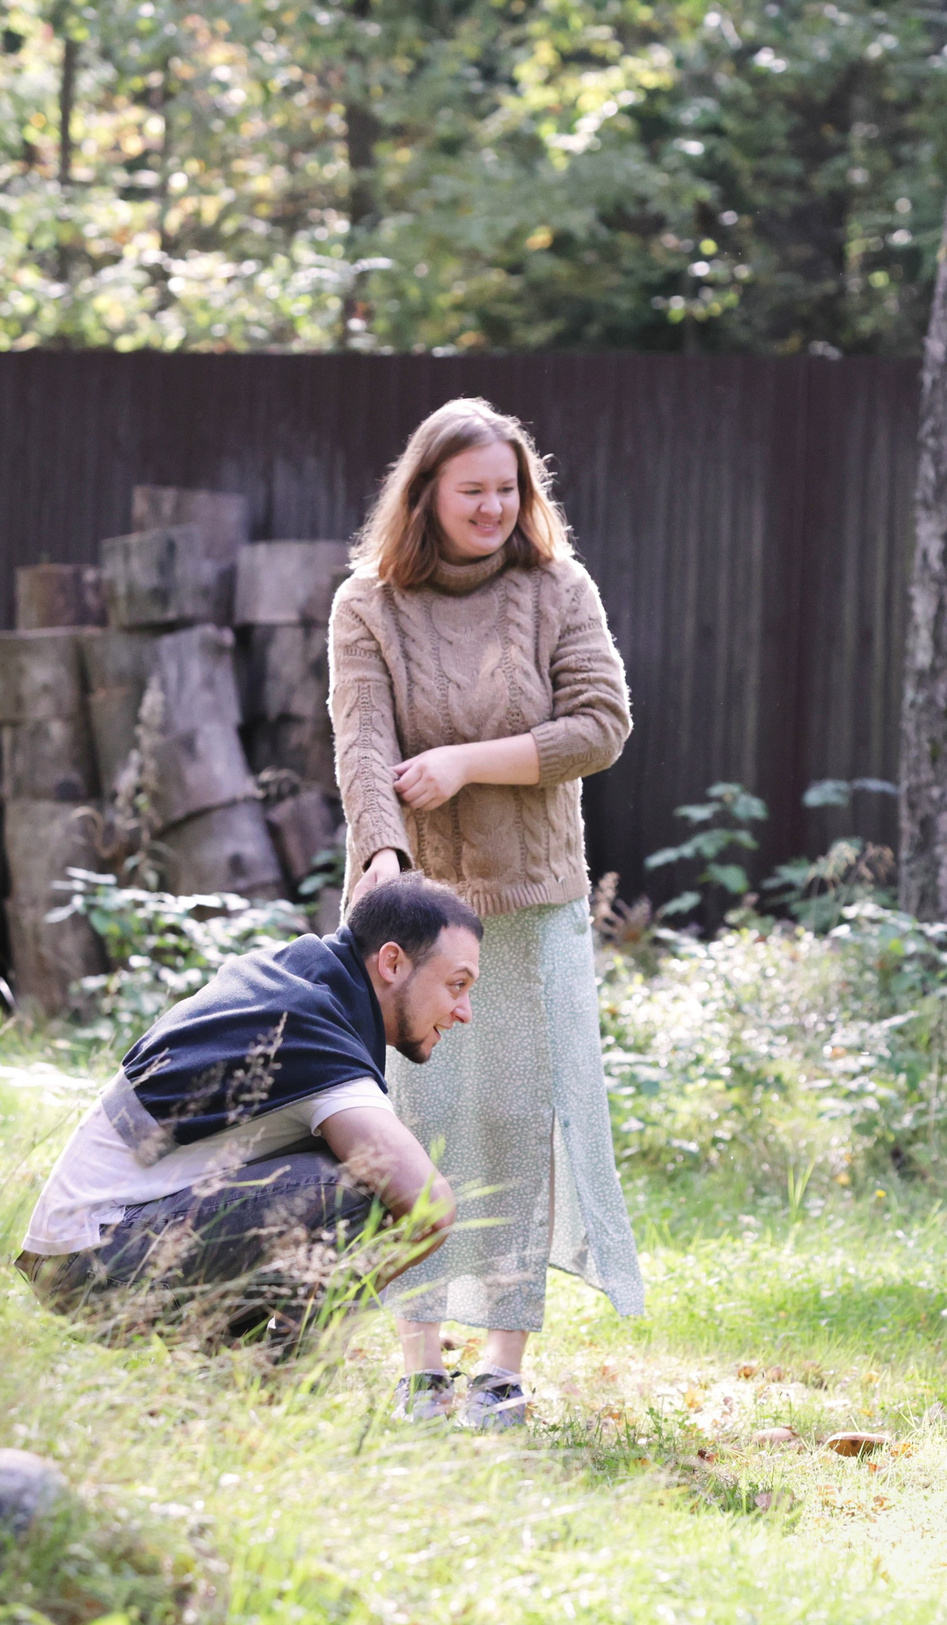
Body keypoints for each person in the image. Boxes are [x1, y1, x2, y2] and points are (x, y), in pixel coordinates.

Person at [329, 396, 644, 1430]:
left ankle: (501, 1368)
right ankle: (421, 1363)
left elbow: (601, 726)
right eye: (473, 492)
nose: (494, 508)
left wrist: (467, 763)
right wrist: (383, 856)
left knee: (514, 1121)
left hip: (530, 903)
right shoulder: (366, 605)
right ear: (425, 496)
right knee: (413, 1123)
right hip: (408, 910)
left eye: (508, 491)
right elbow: (363, 745)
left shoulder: (558, 589)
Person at [15, 876, 483, 1347]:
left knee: (349, 1173)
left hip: (75, 1253)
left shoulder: (295, 981)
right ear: (392, 962)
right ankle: (279, 1377)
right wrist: (324, 1327)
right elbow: (431, 1208)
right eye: (456, 985)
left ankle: (233, 1359)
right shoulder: (319, 1037)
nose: (464, 1012)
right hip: (92, 1271)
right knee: (361, 1189)